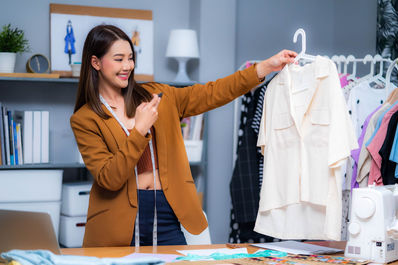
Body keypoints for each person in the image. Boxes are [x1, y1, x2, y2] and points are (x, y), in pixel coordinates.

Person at [70, 24, 297, 247]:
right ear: (96, 62)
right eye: (119, 59)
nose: (127, 66)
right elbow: (110, 178)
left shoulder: (159, 96)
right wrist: (139, 131)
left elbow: (213, 92)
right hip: (117, 221)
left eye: (130, 58)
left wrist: (266, 67)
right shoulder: (85, 119)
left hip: (167, 212)